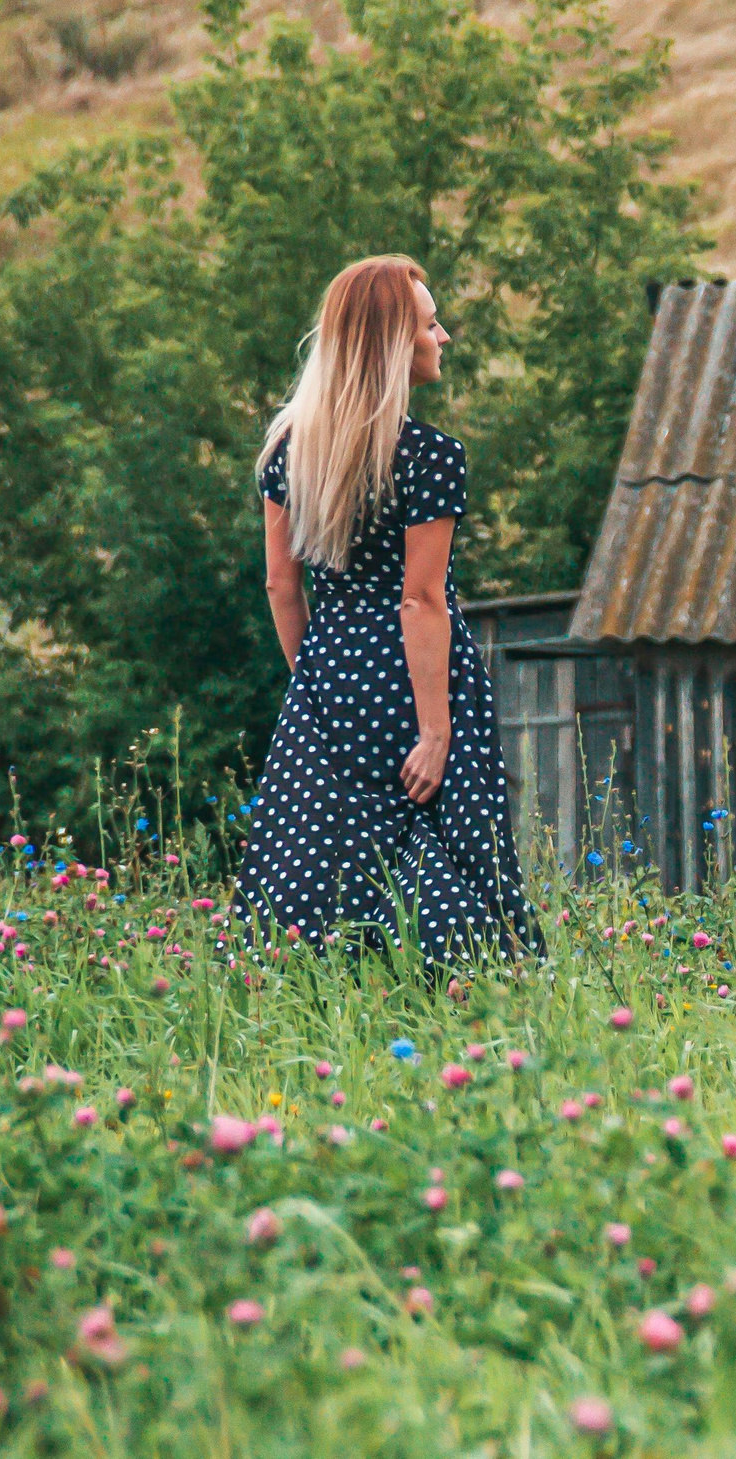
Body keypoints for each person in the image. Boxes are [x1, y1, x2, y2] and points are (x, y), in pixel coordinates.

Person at [239, 254, 542, 971]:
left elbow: (281, 586)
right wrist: (435, 729)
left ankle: (322, 991)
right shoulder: (430, 457)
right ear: (392, 345)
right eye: (431, 325)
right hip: (416, 677)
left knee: (320, 854)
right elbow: (421, 598)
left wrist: (315, 682)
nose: (444, 337)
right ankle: (468, 981)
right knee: (444, 843)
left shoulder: (289, 452)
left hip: (330, 670)